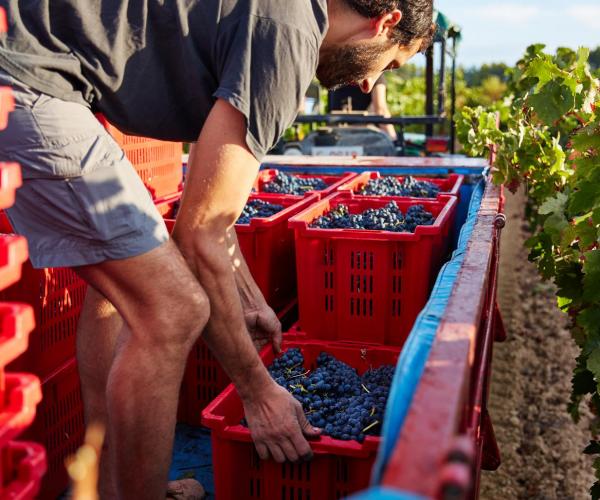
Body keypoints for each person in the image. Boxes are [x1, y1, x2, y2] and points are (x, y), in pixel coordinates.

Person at [0, 0, 433, 498]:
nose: (367, 85)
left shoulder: (285, 15)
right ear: (385, 22)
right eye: (389, 64)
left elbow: (211, 214)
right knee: (172, 309)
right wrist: (257, 391)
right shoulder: (290, 37)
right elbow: (201, 233)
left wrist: (248, 296)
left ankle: (110, 484)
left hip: (34, 60)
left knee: (126, 284)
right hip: (26, 73)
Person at [329, 75, 398, 139]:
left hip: (335, 134)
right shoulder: (374, 73)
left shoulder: (334, 73)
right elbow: (380, 110)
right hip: (362, 136)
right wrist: (393, 138)